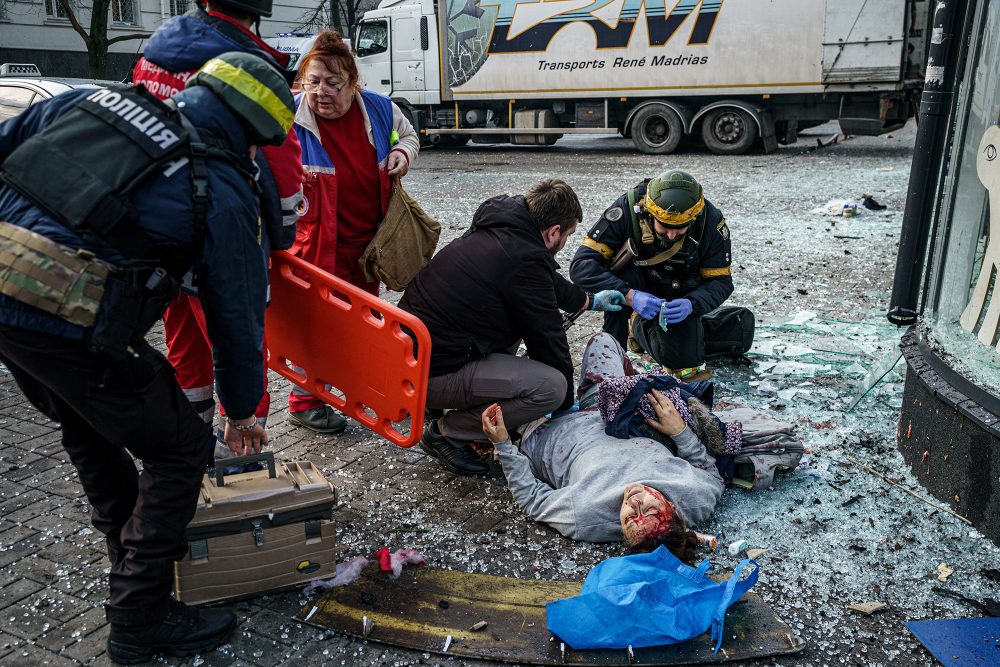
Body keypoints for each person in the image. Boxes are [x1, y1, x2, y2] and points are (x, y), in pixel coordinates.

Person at [0, 52, 294, 663]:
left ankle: (130, 549)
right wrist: (242, 410)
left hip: (7, 305)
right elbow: (236, 322)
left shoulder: (97, 103)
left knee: (89, 420)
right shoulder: (223, 186)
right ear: (254, 134)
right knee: (182, 445)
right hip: (70, 320)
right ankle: (140, 616)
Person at [132, 0, 304, 461]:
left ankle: (190, 447)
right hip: (222, 228)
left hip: (159, 232)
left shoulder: (155, 51)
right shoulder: (251, 66)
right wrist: (281, 237)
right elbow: (281, 162)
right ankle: (246, 452)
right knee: (238, 340)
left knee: (184, 342)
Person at [399, 178, 627, 476]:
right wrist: (565, 403)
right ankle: (446, 433)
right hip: (427, 375)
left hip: (407, 355)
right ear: (554, 231)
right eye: (568, 235)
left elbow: (543, 280)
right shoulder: (524, 259)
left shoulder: (502, 225)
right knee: (549, 388)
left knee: (513, 341)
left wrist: (587, 300)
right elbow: (547, 338)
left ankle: (444, 407)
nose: (565, 241)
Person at [480, 333, 726, 559]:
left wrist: (503, 445)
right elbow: (710, 472)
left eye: (629, 517)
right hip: (605, 411)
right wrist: (680, 432)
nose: (634, 501)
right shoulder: (695, 496)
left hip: (539, 430)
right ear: (673, 509)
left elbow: (532, 499)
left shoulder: (585, 517)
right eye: (649, 510)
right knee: (603, 341)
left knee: (492, 373)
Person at [287, 30, 420, 434]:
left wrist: (400, 153)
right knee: (316, 327)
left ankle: (348, 392)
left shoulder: (380, 110)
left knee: (361, 326)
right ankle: (304, 402)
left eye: (332, 83)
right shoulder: (289, 117)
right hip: (316, 248)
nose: (320, 92)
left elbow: (409, 136)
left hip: (367, 249)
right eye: (312, 82)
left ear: (353, 83)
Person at [570, 170, 734, 376]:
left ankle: (642, 330)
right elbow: (582, 265)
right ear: (650, 212)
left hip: (681, 292)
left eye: (680, 228)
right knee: (619, 285)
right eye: (665, 227)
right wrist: (630, 296)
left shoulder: (710, 221)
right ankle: (618, 350)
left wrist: (693, 304)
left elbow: (721, 281)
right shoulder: (627, 209)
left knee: (685, 362)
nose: (671, 235)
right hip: (634, 287)